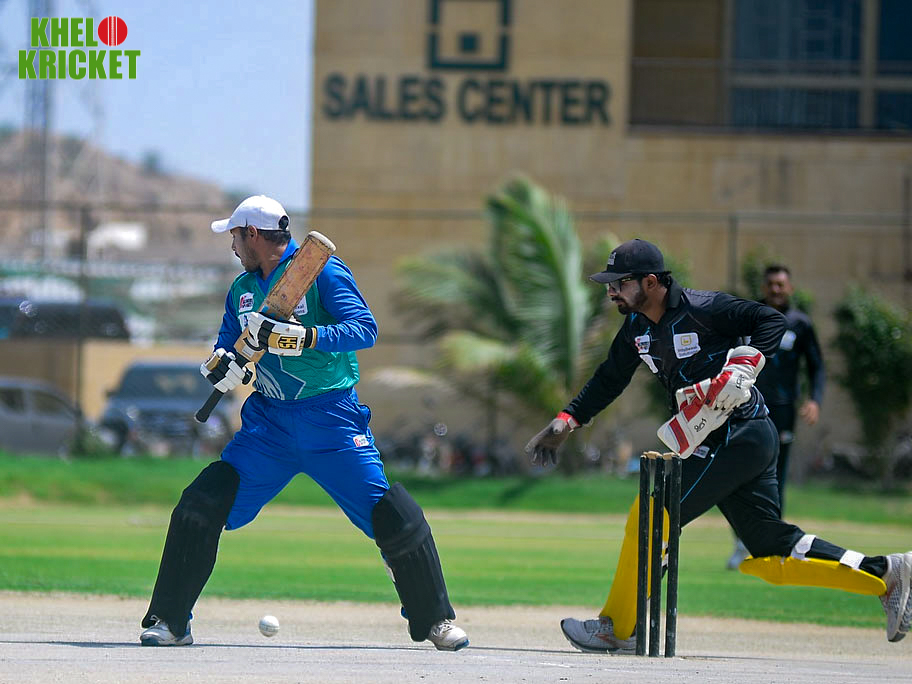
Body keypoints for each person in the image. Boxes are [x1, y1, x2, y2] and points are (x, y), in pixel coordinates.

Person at [525, 238, 912, 654]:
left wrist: (746, 364)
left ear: (651, 282)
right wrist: (568, 419)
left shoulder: (703, 307)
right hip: (732, 440)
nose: (611, 292)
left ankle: (617, 627)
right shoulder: (636, 327)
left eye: (619, 283)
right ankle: (888, 574)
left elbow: (770, 320)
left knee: (652, 515)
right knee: (770, 554)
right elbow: (609, 378)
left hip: (737, 433)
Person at [139, 195, 468, 651]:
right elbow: (229, 343)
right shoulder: (242, 289)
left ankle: (436, 621)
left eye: (235, 236)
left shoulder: (322, 272)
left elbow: (364, 329)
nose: (232, 246)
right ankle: (170, 622)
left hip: (332, 421)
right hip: (268, 427)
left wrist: (305, 336)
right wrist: (222, 364)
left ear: (253, 234)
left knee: (393, 514)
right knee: (201, 503)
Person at [727, 264, 825, 569]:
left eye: (781, 284)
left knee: (775, 476)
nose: (776, 289)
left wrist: (814, 400)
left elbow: (817, 366)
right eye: (771, 284)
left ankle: (772, 544)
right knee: (738, 472)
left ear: (790, 288)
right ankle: (741, 541)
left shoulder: (800, 323)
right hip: (746, 407)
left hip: (782, 410)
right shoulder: (749, 317)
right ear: (764, 287)